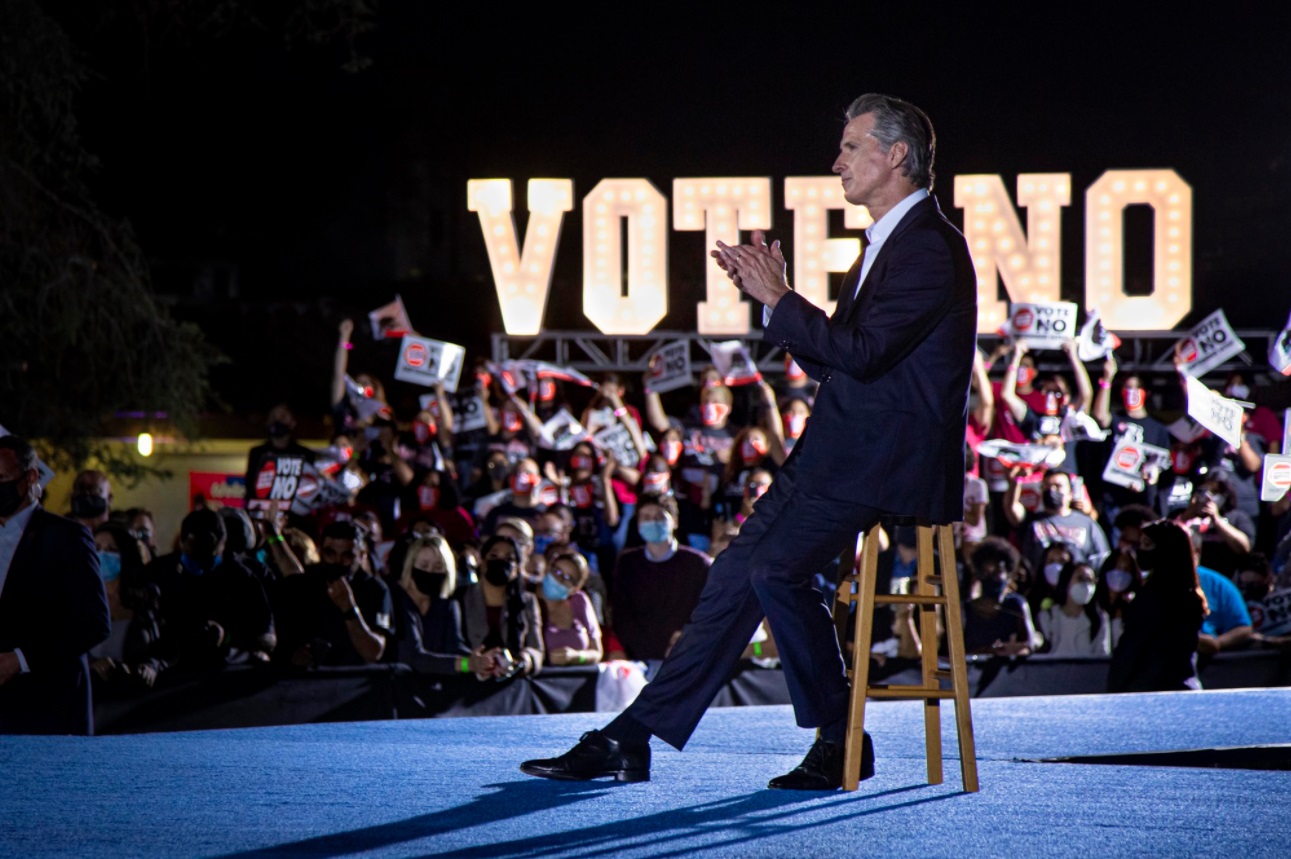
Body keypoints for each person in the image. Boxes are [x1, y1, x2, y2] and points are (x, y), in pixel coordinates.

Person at [522, 93, 976, 789]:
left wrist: (783, 298)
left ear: (896, 156)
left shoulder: (927, 249)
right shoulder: (888, 241)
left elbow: (859, 354)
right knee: (736, 573)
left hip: (881, 463)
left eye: (851, 147)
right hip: (835, 455)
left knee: (770, 571)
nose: (836, 162)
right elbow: (829, 360)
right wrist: (775, 302)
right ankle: (635, 735)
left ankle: (835, 736)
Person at [0, 435, 110, 734]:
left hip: (48, 709)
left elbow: (94, 622)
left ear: (30, 477)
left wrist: (20, 659)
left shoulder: (66, 537)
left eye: (1, 478)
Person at [608, 493, 711, 663]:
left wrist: (687, 639)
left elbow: (707, 611)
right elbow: (620, 613)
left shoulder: (698, 564)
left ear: (674, 521)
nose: (652, 522)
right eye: (646, 517)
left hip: (686, 658)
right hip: (639, 659)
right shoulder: (627, 563)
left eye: (659, 516)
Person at [1108, 520, 1207, 692]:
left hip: (1151, 693)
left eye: (1147, 544)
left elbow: (1132, 650)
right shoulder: (1192, 596)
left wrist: (1115, 688)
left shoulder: (1151, 598)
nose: (1140, 550)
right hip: (1182, 689)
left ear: (1165, 548)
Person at [391, 536, 480, 676]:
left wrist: (481, 661)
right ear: (411, 565)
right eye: (424, 566)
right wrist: (466, 664)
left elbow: (455, 647)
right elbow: (413, 658)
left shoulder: (447, 605)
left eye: (438, 567)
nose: (430, 572)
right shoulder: (396, 598)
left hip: (436, 687)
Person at [461, 535, 543, 679]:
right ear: (482, 561)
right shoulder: (461, 597)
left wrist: (523, 661)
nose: (500, 561)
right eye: (493, 555)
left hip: (512, 683)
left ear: (517, 568)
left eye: (509, 559)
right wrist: (475, 662)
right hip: (468, 681)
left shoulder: (527, 601)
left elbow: (536, 650)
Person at [539, 551, 603, 667]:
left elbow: (597, 653)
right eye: (557, 571)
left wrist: (577, 656)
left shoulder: (579, 601)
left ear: (575, 588)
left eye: (568, 578)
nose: (559, 580)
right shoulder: (527, 598)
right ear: (548, 568)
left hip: (575, 678)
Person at [1036, 561, 1111, 657]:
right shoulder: (1047, 617)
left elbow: (1102, 656)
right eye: (1081, 579)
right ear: (1066, 582)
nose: (1086, 586)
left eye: (1090, 581)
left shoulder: (1099, 618)